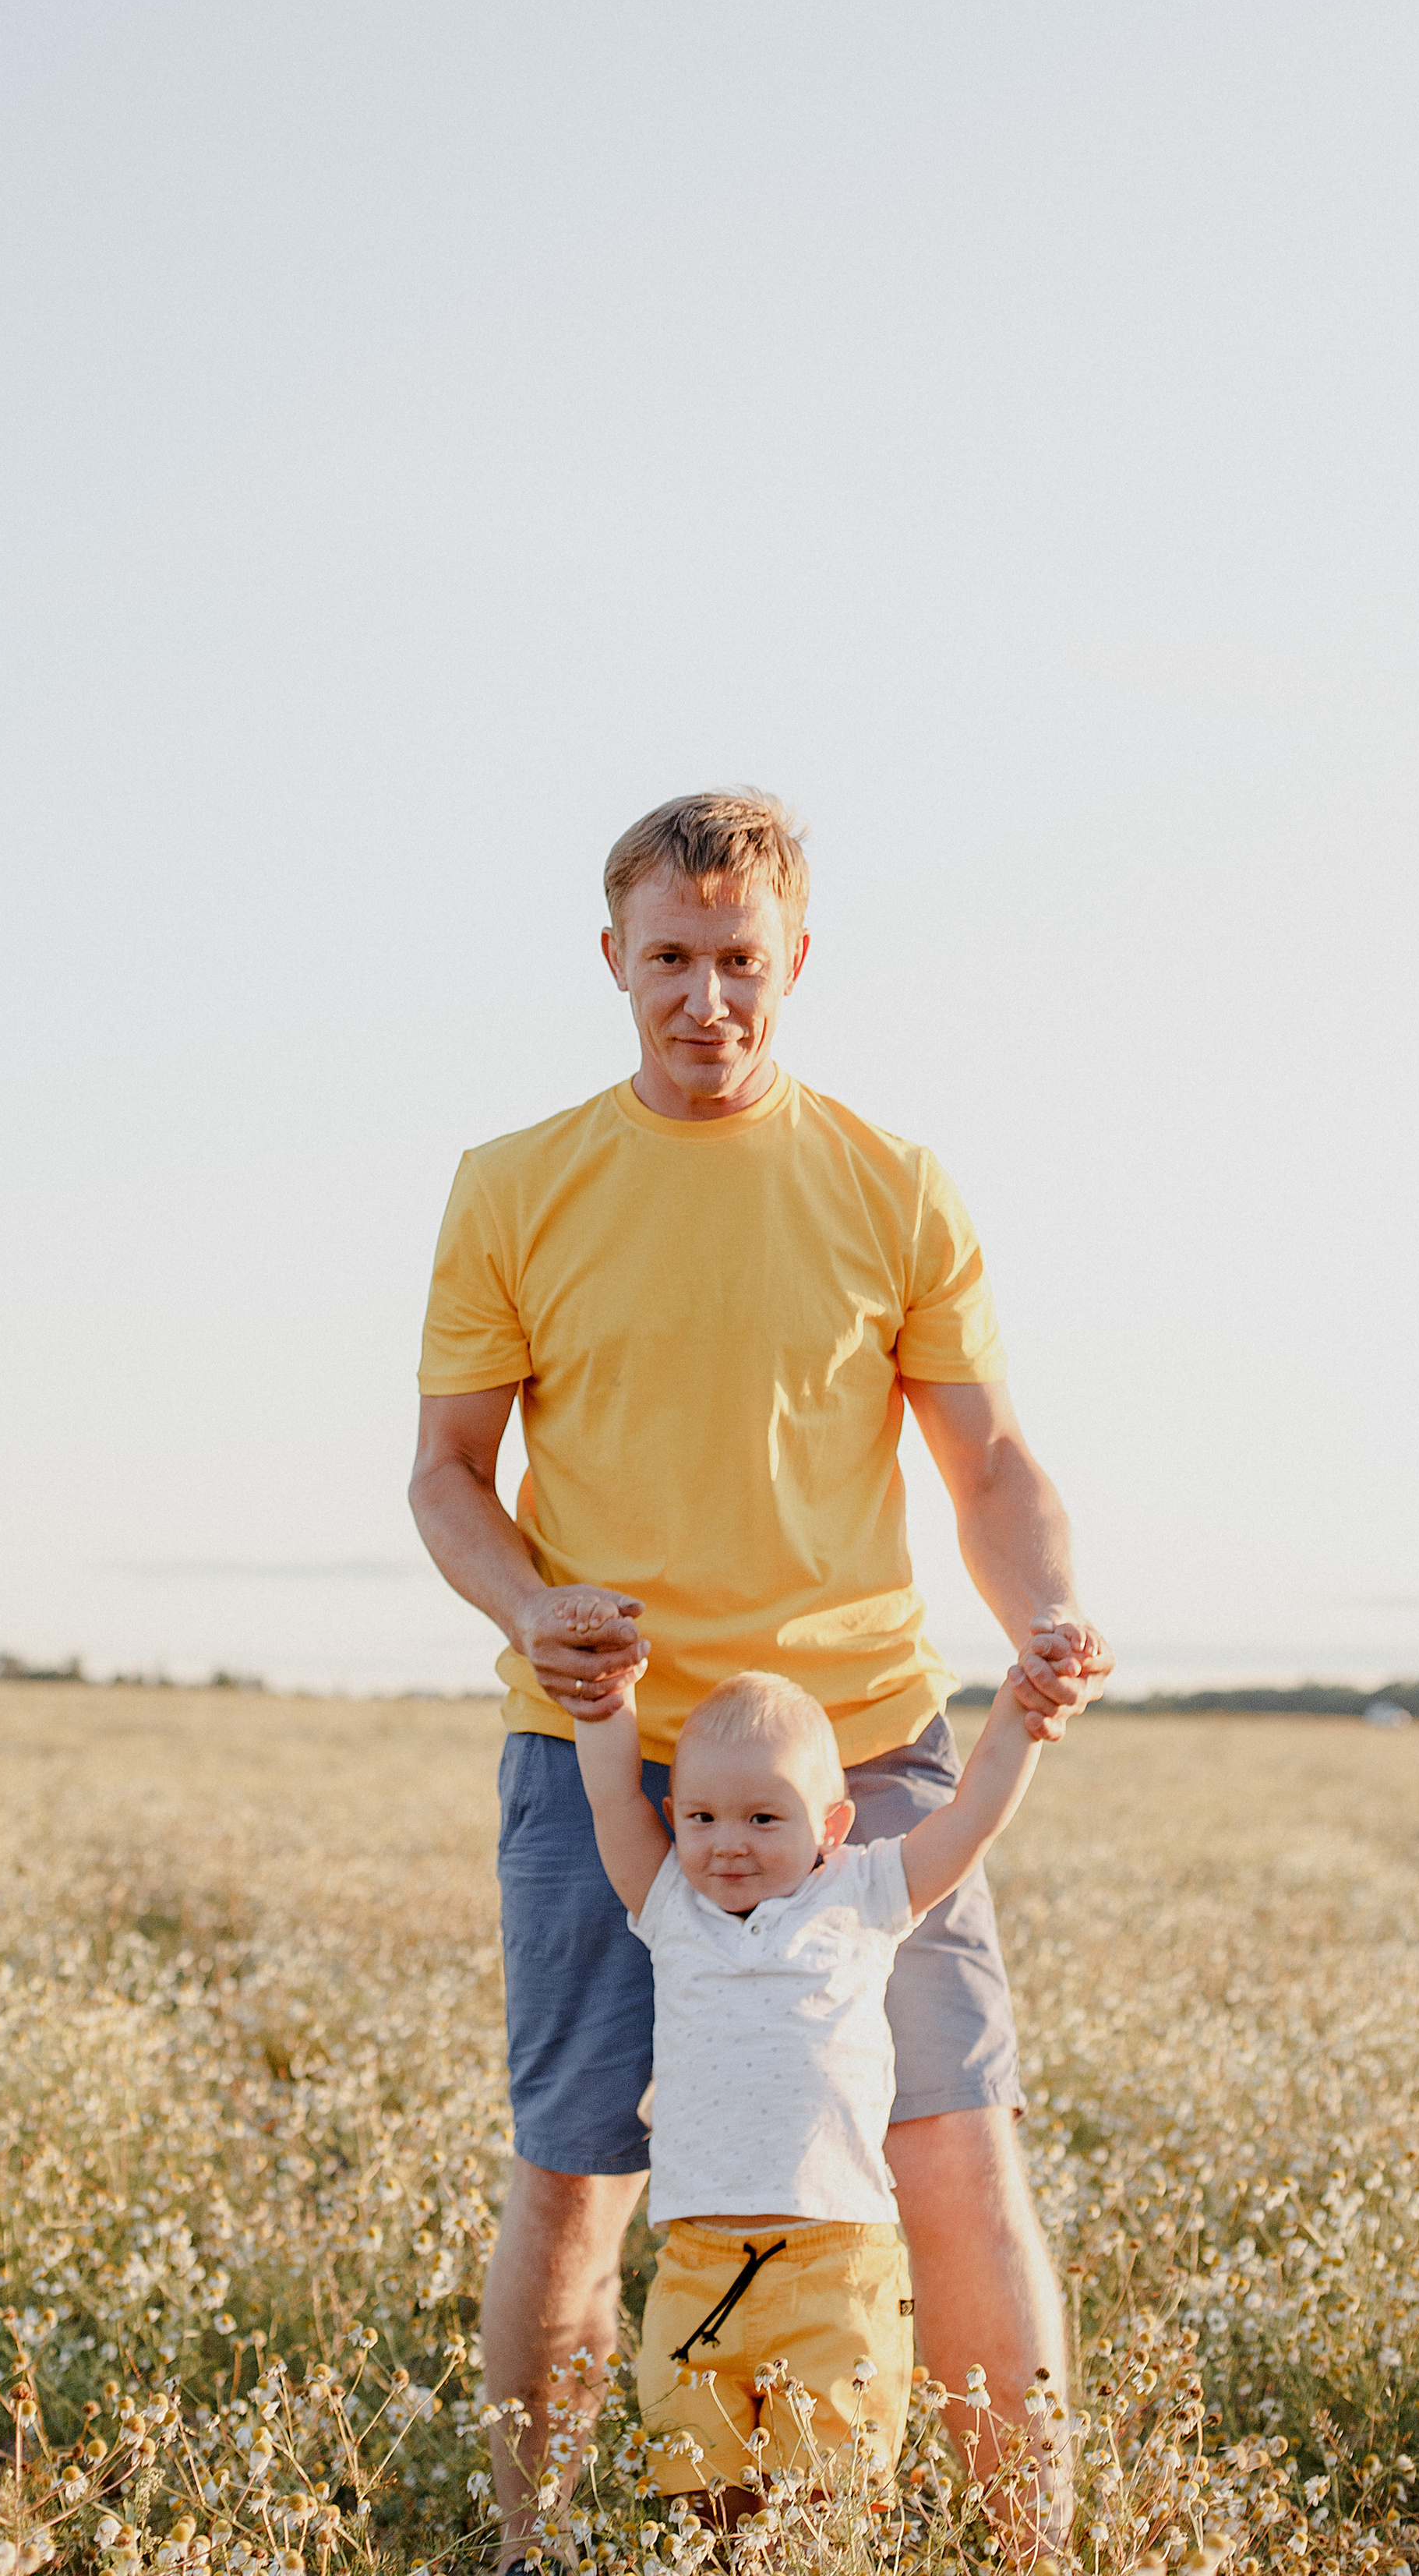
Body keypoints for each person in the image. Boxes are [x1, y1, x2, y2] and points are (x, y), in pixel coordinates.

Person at [409, 787, 1113, 2562]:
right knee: (579, 2170)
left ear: (795, 956)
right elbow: (445, 1475)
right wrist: (529, 1605)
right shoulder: (512, 1183)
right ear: (610, 962)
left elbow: (990, 1463)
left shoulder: (892, 1182)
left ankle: (1019, 2547)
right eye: (668, 959)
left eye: (739, 961)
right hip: (601, 1750)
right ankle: (529, 2541)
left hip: (863, 1747)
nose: (703, 997)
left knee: (948, 2154)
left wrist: (1041, 1612)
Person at [573, 1665, 1050, 2509]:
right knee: (700, 2498)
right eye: (702, 1817)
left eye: (764, 1817)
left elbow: (969, 1821)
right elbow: (614, 1804)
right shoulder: (668, 1900)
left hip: (836, 2264)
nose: (729, 1842)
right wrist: (607, 1705)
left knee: (825, 2499)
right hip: (696, 2264)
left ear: (830, 1826)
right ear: (675, 1818)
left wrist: (1016, 1716)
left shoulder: (864, 1892)